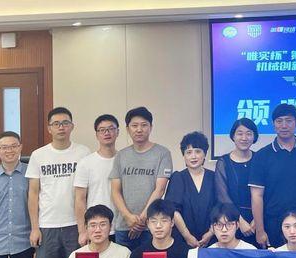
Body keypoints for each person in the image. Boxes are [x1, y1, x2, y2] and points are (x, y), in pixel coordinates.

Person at [27, 107, 91, 258]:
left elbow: (86, 191)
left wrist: (84, 228)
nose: (61, 127)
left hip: (75, 227)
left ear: (72, 126)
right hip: (47, 227)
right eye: (56, 123)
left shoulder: (83, 152)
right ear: (49, 128)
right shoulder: (38, 155)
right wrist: (35, 227)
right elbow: (33, 194)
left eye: (65, 123)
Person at [249, 103, 296, 248]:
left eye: (289, 120)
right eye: (279, 121)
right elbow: (257, 196)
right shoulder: (262, 155)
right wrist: (260, 230)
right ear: (273, 124)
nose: (284, 125)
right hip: (274, 224)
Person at [110, 107, 172, 250]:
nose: (139, 129)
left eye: (144, 125)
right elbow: (115, 191)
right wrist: (128, 217)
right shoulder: (121, 155)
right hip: (124, 226)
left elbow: (160, 189)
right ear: (127, 129)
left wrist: (143, 219)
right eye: (134, 125)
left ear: (151, 127)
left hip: (152, 227)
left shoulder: (162, 153)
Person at [75, 114, 121, 246]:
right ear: (96, 134)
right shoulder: (86, 163)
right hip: (96, 228)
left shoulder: (125, 159)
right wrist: (83, 231)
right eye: (102, 130)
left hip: (122, 227)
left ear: (118, 132)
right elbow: (80, 198)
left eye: (111, 129)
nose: (107, 133)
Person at [165, 131, 217, 248]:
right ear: (184, 156)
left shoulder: (214, 177)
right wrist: (187, 236)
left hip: (212, 239)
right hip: (183, 240)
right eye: (189, 152)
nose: (193, 156)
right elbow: (173, 209)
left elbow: (220, 207)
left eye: (198, 151)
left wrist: (210, 233)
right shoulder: (178, 177)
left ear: (205, 154)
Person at [215, 118, 258, 246]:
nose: (244, 138)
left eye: (249, 133)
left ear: (254, 136)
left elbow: (267, 193)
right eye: (240, 133)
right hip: (232, 221)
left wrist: (257, 221)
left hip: (259, 222)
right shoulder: (223, 162)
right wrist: (240, 221)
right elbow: (223, 197)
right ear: (233, 136)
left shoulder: (260, 159)